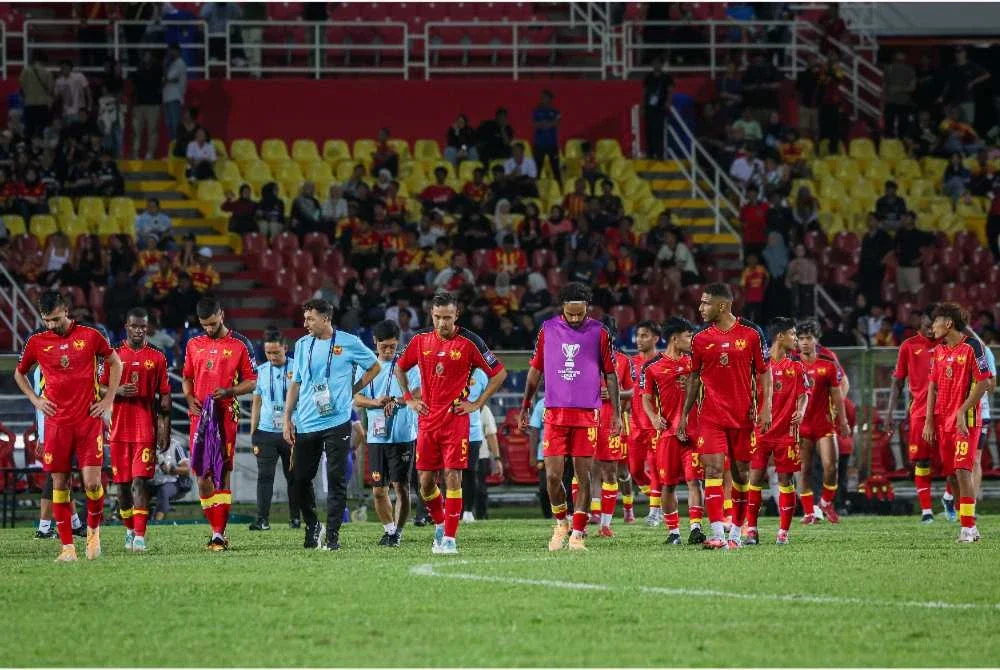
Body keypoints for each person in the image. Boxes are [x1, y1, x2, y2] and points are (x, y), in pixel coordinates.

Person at [395, 290, 507, 555]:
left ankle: (450, 539)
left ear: (457, 315)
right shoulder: (420, 339)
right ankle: (441, 523)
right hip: (427, 421)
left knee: (453, 477)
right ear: (431, 315)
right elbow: (400, 367)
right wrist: (409, 399)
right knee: (424, 482)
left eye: (447, 317)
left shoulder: (470, 341)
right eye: (437, 317)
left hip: (456, 422)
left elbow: (499, 373)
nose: (442, 323)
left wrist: (477, 404)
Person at [13, 290, 122, 562]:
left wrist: (108, 400)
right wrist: (36, 400)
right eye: (47, 320)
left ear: (67, 311)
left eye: (56, 319)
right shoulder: (37, 342)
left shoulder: (90, 336)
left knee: (92, 483)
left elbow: (115, 361)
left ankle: (94, 535)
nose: (52, 325)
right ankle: (67, 548)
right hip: (56, 424)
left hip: (87, 421)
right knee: (59, 483)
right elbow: (19, 372)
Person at [518, 282, 620, 551]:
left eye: (580, 314)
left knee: (583, 476)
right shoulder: (548, 330)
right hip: (554, 413)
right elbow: (535, 371)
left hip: (586, 414)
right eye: (570, 314)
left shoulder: (600, 332)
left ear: (588, 308)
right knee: (552, 477)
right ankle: (561, 523)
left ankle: (578, 532)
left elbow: (610, 373)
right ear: (562, 308)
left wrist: (617, 414)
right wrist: (526, 404)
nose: (575, 319)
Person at [676, 283, 772, 550]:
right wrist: (685, 415)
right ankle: (717, 532)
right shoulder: (699, 339)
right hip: (710, 416)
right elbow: (694, 377)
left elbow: (764, 372)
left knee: (742, 476)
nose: (700, 308)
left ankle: (736, 534)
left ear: (722, 305)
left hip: (743, 416)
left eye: (705, 303)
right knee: (713, 469)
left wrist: (766, 407)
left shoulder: (752, 333)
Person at [282, 299, 380, 551]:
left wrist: (353, 389)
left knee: (337, 479)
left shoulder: (349, 342)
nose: (305, 324)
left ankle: (333, 535)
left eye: (310, 318)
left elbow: (374, 366)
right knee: (301, 478)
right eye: (305, 319)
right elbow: (296, 383)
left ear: (325, 318)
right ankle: (313, 524)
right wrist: (287, 418)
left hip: (337, 421)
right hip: (306, 421)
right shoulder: (303, 345)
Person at [181, 297, 258, 551]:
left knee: (221, 472)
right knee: (202, 477)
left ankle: (218, 534)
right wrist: (190, 398)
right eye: (204, 325)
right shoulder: (193, 344)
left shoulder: (240, 344)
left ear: (221, 315)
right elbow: (187, 377)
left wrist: (230, 391)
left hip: (225, 415)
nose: (209, 329)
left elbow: (253, 381)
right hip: (199, 417)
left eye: (212, 324)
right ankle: (215, 529)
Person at [98, 307, 171, 552]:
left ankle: (140, 536)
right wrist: (116, 391)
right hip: (118, 430)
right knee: (122, 486)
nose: (139, 330)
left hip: (144, 431)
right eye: (134, 326)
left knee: (140, 482)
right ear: (126, 327)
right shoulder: (114, 355)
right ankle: (129, 530)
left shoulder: (158, 357)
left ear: (147, 327)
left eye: (143, 326)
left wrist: (165, 429)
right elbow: (97, 387)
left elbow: (165, 396)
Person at [923, 304, 993, 542]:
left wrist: (963, 410)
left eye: (935, 322)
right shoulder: (940, 351)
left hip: (967, 421)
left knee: (964, 470)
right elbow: (933, 385)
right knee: (951, 476)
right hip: (943, 422)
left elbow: (984, 383)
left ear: (949, 323)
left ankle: (968, 528)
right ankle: (969, 524)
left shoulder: (973, 347)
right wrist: (929, 420)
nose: (932, 327)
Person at [641, 317, 706, 545]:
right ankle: (674, 532)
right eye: (688, 336)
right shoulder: (652, 367)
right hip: (668, 434)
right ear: (675, 338)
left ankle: (696, 528)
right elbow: (646, 398)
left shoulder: (694, 364)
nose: (692, 340)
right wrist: (653, 417)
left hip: (693, 433)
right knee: (668, 484)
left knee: (694, 480)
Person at [353, 320, 419, 547]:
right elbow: (356, 397)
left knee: (401, 488)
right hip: (376, 437)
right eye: (384, 347)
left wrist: (396, 400)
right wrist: (375, 402)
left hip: (403, 435)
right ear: (375, 342)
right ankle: (389, 530)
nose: (389, 351)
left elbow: (419, 393)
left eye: (393, 346)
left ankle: (398, 533)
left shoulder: (409, 365)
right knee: (378, 491)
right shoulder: (367, 368)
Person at [744, 318, 808, 545]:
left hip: (787, 432)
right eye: (793, 334)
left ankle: (783, 532)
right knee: (755, 478)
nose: (796, 340)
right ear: (780, 336)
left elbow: (803, 395)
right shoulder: (759, 365)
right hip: (760, 431)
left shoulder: (797, 367)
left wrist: (801, 410)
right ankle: (751, 529)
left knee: (785, 479)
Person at [885, 308, 939, 523]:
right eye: (928, 326)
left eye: (934, 326)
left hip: (946, 411)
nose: (932, 331)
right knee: (922, 461)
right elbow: (897, 382)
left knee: (955, 463)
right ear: (920, 324)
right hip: (919, 412)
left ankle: (952, 503)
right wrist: (889, 411)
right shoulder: (909, 346)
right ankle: (926, 510)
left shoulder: (948, 345)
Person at [795, 319, 849, 525]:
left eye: (809, 338)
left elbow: (837, 394)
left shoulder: (827, 363)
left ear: (816, 340)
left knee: (830, 467)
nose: (804, 342)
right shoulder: (793, 364)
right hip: (802, 425)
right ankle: (809, 512)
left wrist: (842, 420)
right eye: (801, 339)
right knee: (805, 469)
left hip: (823, 423)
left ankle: (826, 502)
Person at [249, 328, 300, 532]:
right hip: (266, 432)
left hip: (292, 430)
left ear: (285, 349)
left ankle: (296, 518)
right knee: (264, 477)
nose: (272, 357)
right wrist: (254, 432)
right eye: (268, 353)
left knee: (294, 477)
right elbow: (257, 403)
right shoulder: (261, 372)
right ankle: (262, 520)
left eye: (276, 352)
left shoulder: (298, 368)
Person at [31, 367, 86, 541]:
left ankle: (75, 524)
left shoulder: (57, 362)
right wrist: (43, 435)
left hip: (65, 428)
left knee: (63, 478)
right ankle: (44, 528)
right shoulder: (43, 369)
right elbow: (41, 403)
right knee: (54, 478)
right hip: (53, 430)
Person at [626, 320, 661, 526]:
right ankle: (659, 498)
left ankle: (655, 511)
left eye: (645, 335)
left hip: (655, 425)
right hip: (636, 424)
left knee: (656, 469)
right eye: (638, 335)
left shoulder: (662, 362)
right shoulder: (631, 363)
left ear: (656, 338)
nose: (639, 339)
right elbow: (628, 391)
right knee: (635, 470)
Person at [130, 51, 162, 159]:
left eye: (149, 56)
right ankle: (135, 153)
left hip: (153, 105)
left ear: (152, 58)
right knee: (136, 131)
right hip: (139, 105)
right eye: (145, 56)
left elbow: (160, 83)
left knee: (152, 130)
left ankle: (150, 154)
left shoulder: (157, 70)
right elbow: (134, 87)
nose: (147, 58)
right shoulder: (139, 70)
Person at [152, 440, 191, 520]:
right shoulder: (148, 445)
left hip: (172, 482)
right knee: (139, 488)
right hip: (152, 481)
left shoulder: (176, 446)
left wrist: (172, 470)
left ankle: (157, 522)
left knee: (164, 491)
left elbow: (187, 469)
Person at [527, 395, 550, 518]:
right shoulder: (542, 404)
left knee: (566, 483)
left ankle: (567, 513)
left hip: (565, 452)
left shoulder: (569, 401)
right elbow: (534, 431)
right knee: (544, 487)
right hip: (544, 453)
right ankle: (547, 515)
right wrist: (533, 455)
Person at [532, 90, 561, 184]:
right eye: (541, 97)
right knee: (537, 169)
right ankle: (535, 189)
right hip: (539, 145)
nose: (542, 99)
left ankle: (560, 188)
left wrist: (546, 123)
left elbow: (557, 123)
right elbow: (535, 124)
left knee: (555, 169)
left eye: (544, 97)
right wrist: (547, 124)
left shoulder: (555, 112)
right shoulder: (537, 111)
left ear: (550, 99)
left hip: (552, 145)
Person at [162, 43, 187, 140]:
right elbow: (165, 80)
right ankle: (172, 149)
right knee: (169, 125)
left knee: (175, 125)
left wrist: (164, 65)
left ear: (177, 51)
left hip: (175, 98)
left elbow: (167, 78)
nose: (169, 53)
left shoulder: (180, 63)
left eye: (171, 50)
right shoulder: (171, 64)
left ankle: (177, 149)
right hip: (167, 98)